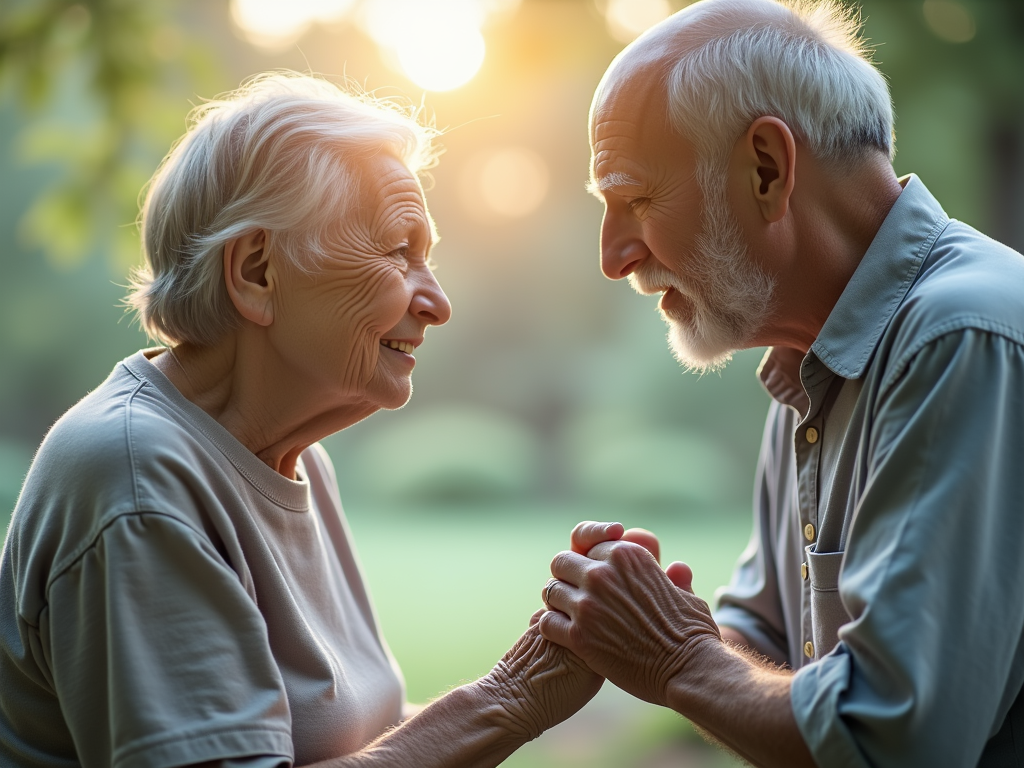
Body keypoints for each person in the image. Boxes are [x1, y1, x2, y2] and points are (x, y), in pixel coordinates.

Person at [0, 73, 604, 768]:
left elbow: (347, 740)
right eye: (396, 250)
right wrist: (508, 700)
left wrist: (542, 664)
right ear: (257, 271)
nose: (437, 302)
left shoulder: (295, 458)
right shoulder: (138, 482)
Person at [537, 0, 1024, 766]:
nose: (614, 255)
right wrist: (647, 615)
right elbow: (761, 646)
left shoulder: (960, 338)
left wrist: (676, 657)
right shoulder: (809, 363)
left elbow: (890, 738)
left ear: (767, 168)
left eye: (634, 199)